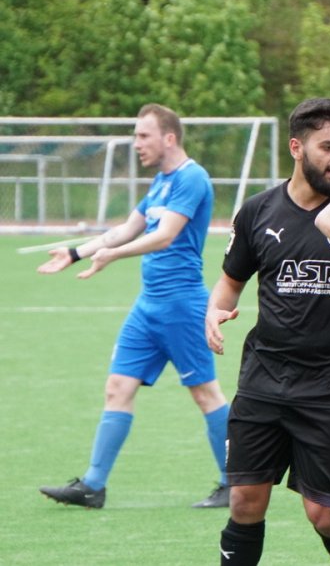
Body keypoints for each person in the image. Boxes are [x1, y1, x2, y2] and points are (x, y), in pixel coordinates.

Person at [37, 103, 229, 509]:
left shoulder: (192, 177)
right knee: (117, 387)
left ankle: (235, 483)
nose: (137, 143)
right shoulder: (160, 182)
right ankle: (92, 486)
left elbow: (165, 235)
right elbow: (127, 229)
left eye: (143, 135)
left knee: (205, 394)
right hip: (149, 307)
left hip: (182, 305)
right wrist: (75, 252)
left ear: (169, 138)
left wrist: (112, 255)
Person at [205, 98, 330, 565]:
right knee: (244, 502)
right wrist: (213, 312)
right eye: (328, 146)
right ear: (297, 147)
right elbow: (230, 284)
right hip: (264, 378)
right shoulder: (257, 211)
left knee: (324, 516)